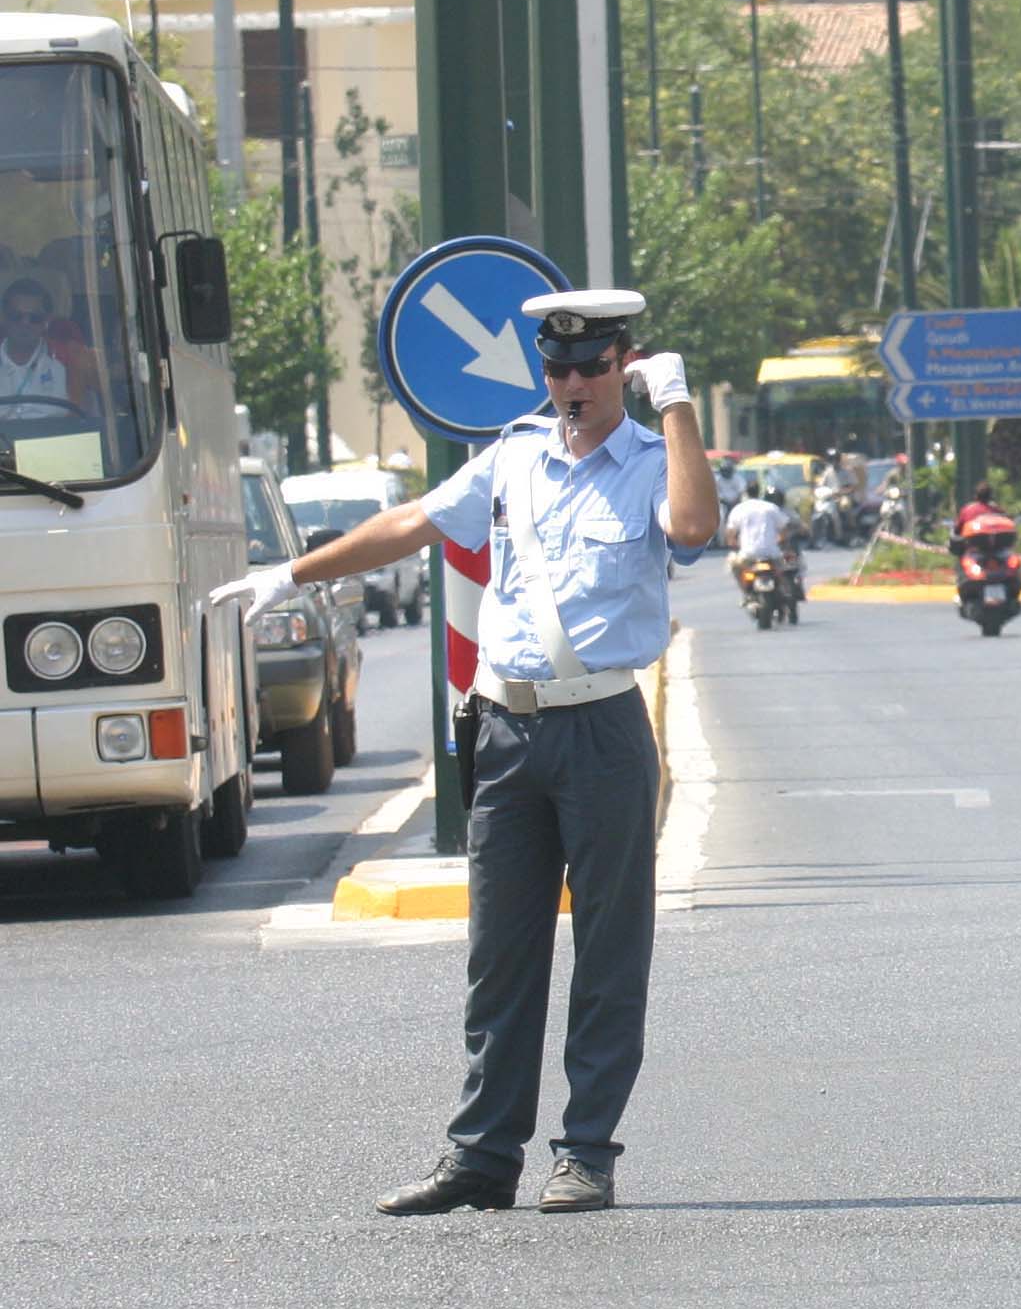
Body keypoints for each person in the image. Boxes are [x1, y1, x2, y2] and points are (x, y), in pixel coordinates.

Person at [214, 289, 718, 1216]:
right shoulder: (514, 459)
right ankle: (483, 1155)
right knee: (501, 954)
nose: (571, 384)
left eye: (592, 367)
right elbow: (411, 524)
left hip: (602, 728)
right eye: (556, 367)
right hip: (507, 730)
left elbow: (692, 528)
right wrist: (290, 571)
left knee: (608, 954)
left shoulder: (652, 461)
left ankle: (587, 1153)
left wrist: (677, 406)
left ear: (626, 367)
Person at [0, 275, 91, 418]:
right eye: (16, 316)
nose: (25, 324)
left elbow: (83, 420)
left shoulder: (70, 359)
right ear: (3, 318)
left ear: (46, 322)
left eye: (34, 318)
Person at [725, 483, 804, 590]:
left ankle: (745, 591)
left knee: (734, 566)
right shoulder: (771, 508)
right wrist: (779, 541)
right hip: (772, 553)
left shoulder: (738, 509)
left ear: (746, 493)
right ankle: (785, 589)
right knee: (785, 569)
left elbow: (730, 535)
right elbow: (784, 530)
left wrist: (735, 544)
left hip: (748, 554)